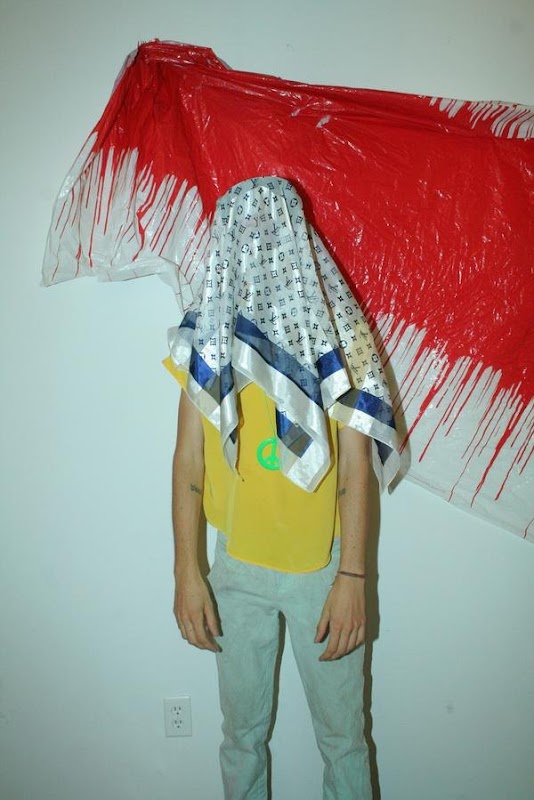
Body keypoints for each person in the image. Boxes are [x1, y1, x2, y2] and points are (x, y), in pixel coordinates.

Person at [165, 177, 399, 799]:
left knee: (344, 740)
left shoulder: (340, 338)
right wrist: (187, 571)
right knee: (240, 737)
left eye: (273, 232)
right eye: (243, 234)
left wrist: (353, 579)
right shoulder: (206, 338)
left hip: (323, 571)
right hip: (235, 566)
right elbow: (188, 462)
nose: (258, 248)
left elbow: (355, 470)